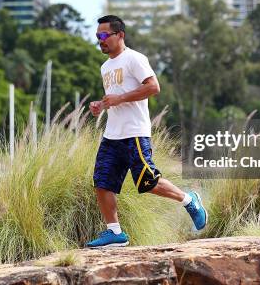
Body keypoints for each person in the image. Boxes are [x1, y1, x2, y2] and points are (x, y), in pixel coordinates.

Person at [86, 15, 207, 248]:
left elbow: (153, 87)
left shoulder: (134, 58)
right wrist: (100, 105)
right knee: (102, 182)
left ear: (120, 35)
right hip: (112, 135)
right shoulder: (105, 66)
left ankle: (190, 201)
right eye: (97, 37)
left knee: (148, 182)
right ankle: (115, 233)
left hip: (135, 133)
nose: (100, 40)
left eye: (104, 36)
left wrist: (119, 98)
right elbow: (117, 96)